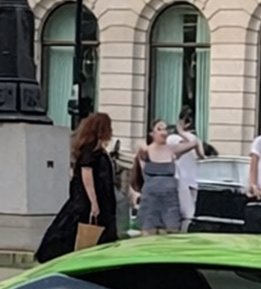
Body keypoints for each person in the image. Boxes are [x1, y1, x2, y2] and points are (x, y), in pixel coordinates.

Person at [34, 112, 118, 263]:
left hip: (95, 198)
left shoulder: (94, 150)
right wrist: (93, 202)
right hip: (88, 200)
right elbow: (87, 174)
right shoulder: (91, 151)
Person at [132, 119, 186, 235]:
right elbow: (137, 146)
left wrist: (181, 132)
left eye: (165, 129)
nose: (163, 132)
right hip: (150, 200)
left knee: (170, 233)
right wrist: (144, 144)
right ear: (152, 133)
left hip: (170, 200)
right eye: (159, 129)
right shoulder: (145, 151)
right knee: (148, 233)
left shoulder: (172, 149)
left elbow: (194, 143)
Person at [167, 109, 203, 227]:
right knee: (186, 213)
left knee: (188, 215)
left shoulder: (194, 138)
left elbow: (201, 155)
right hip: (181, 180)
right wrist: (181, 132)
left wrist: (184, 133)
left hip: (192, 180)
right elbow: (180, 150)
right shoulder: (172, 138)